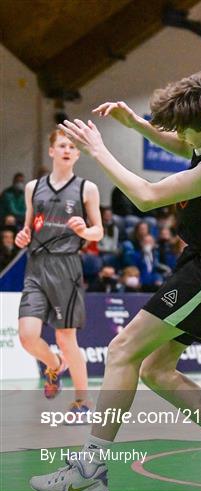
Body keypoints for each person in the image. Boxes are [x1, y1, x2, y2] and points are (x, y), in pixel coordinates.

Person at [29, 71, 201, 491]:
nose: (182, 138)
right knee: (156, 368)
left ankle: (90, 471)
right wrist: (137, 125)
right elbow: (185, 143)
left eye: (188, 131)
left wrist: (98, 150)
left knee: (121, 350)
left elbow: (148, 196)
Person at [16, 129, 103, 414]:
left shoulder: (86, 188)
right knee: (27, 336)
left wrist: (84, 230)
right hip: (36, 266)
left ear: (77, 154)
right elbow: (30, 226)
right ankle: (53, 366)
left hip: (66, 266)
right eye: (62, 145)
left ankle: (82, 401)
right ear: (52, 150)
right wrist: (23, 236)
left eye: (72, 147)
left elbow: (98, 231)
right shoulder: (33, 188)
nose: (67, 150)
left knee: (66, 340)